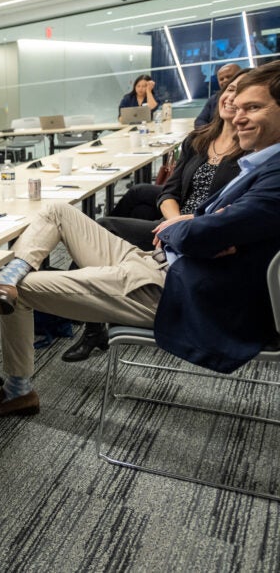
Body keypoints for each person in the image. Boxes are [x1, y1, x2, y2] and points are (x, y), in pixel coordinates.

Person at [0, 61, 280, 417]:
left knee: (22, 292)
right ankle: (8, 274)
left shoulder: (273, 174)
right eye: (238, 104)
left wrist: (190, 227)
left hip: (176, 288)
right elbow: (205, 227)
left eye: (254, 107)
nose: (239, 114)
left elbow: (206, 233)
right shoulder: (256, 163)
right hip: (162, 261)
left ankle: (17, 388)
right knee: (57, 210)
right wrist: (198, 225)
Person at [62, 70, 249, 362]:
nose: (232, 97)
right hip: (175, 223)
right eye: (230, 89)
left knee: (107, 224)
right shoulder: (198, 140)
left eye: (244, 95)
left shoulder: (252, 152)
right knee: (132, 205)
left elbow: (233, 214)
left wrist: (180, 225)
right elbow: (169, 190)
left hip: (197, 233)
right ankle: (92, 310)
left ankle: (89, 318)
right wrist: (173, 221)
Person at [195, 63, 242, 127]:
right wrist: (210, 133)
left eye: (229, 77)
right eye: (221, 79)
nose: (225, 80)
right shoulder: (213, 99)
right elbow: (200, 120)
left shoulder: (247, 96)